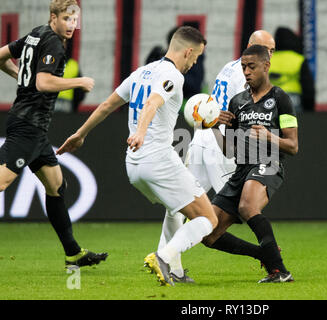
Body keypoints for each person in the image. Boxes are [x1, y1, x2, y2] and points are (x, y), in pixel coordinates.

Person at [57, 26, 218, 287]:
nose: (195, 62)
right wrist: (141, 133)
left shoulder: (141, 72)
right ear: (188, 51)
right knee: (208, 219)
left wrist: (80, 134)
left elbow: (108, 105)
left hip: (133, 165)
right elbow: (152, 103)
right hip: (158, 159)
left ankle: (174, 271)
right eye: (196, 57)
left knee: (174, 208)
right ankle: (164, 257)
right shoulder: (173, 76)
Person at [157, 30, 276, 283]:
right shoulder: (248, 73)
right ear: (251, 47)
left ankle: (169, 264)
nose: (271, 56)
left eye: (273, 51)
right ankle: (269, 256)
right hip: (220, 144)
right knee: (234, 211)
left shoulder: (230, 67)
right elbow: (246, 112)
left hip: (201, 136)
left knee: (180, 203)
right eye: (268, 50)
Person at [0, 0, 107, 268]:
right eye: (67, 19)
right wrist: (79, 81)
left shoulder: (35, 34)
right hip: (27, 127)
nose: (72, 25)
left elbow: (1, 56)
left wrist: (20, 78)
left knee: (57, 186)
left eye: (75, 20)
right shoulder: (53, 44)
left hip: (34, 130)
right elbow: (44, 82)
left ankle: (73, 253)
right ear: (54, 17)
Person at [202, 44, 299, 283]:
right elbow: (230, 151)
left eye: (252, 66)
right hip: (241, 169)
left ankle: (280, 271)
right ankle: (263, 254)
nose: (246, 71)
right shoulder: (237, 102)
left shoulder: (280, 99)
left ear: (266, 66)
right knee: (208, 233)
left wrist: (269, 136)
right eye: (244, 67)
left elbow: (293, 146)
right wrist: (215, 128)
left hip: (269, 163)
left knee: (247, 206)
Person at [269, 27, 315, 113]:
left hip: (270, 100)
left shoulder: (267, 59)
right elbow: (307, 86)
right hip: (293, 100)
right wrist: (310, 108)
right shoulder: (299, 59)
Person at [54, 39, 86, 112]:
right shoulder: (47, 62)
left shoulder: (73, 65)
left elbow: (79, 89)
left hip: (67, 103)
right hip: (51, 101)